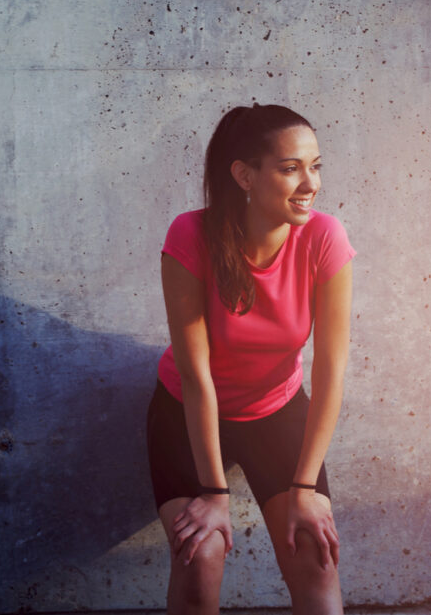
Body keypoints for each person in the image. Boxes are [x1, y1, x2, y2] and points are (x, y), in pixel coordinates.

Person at [147, 103, 355, 615]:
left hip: (277, 413)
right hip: (187, 414)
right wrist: (215, 492)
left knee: (314, 553)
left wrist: (305, 486)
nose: (310, 183)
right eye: (290, 169)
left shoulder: (324, 237)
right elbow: (197, 378)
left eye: (316, 165)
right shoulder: (190, 236)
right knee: (202, 557)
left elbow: (330, 372)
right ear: (244, 174)